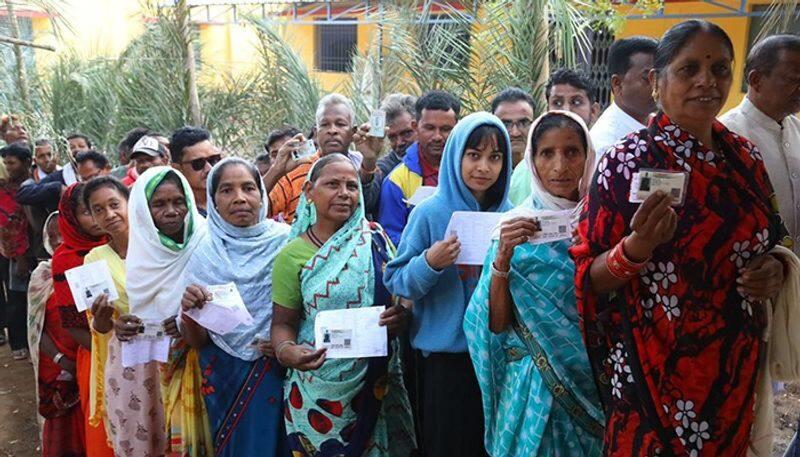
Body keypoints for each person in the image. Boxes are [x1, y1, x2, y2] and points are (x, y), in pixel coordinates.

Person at [570, 20, 790, 456]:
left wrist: (775, 268)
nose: (707, 81)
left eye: (720, 69)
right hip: (652, 373)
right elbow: (587, 277)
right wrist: (636, 250)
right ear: (656, 80)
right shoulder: (625, 162)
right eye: (689, 69)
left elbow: (772, 237)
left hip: (731, 367)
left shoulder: (743, 158)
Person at [463, 111, 604, 456]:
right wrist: (504, 257)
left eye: (571, 152)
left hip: (593, 382)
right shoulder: (512, 227)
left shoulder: (603, 223)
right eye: (547, 153)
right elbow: (495, 324)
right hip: (533, 389)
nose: (560, 166)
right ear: (532, 159)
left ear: (588, 156)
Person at [384, 112, 513, 456]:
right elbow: (396, 280)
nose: (483, 167)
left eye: (494, 157)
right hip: (447, 363)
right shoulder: (429, 213)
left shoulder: (513, 217)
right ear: (457, 155)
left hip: (499, 360)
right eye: (474, 155)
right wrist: (430, 262)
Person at [270, 153, 416, 456]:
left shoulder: (375, 239)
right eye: (332, 184)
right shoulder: (291, 255)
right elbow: (283, 324)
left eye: (351, 186)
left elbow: (399, 299)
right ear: (309, 192)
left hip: (376, 382)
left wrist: (401, 317)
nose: (344, 193)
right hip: (317, 388)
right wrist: (289, 353)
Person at [179, 158, 290, 456]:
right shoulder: (203, 252)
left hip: (281, 367)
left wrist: (285, 343)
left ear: (262, 195)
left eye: (249, 188)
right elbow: (197, 341)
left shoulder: (288, 243)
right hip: (225, 372)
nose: (239, 198)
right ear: (213, 200)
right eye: (226, 190)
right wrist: (189, 311)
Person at [125, 166, 210, 456]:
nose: (171, 211)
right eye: (159, 204)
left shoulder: (207, 240)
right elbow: (133, 319)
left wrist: (193, 320)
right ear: (141, 210)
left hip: (214, 360)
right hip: (165, 363)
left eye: (178, 202)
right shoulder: (139, 261)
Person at [82, 177, 168, 456]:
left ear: (131, 203)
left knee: (172, 429)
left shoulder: (161, 246)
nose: (108, 214)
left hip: (170, 349)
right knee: (136, 433)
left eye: (114, 204)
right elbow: (99, 326)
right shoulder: (93, 260)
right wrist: (108, 320)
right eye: (98, 210)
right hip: (128, 360)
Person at [51, 183, 114, 457]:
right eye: (89, 212)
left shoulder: (127, 242)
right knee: (107, 430)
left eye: (107, 207)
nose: (100, 217)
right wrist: (110, 352)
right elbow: (73, 326)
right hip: (98, 353)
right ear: (72, 217)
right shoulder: (67, 260)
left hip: (142, 350)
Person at [721, 34, 800, 254]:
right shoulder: (725, 136)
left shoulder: (797, 129)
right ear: (756, 80)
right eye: (794, 79)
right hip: (755, 276)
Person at [27, 211, 85, 456]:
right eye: (53, 236)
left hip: (90, 359)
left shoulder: (89, 267)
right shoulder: (41, 275)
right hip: (57, 368)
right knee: (62, 436)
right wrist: (63, 361)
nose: (59, 241)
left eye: (65, 234)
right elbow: (35, 328)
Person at [263, 94, 364, 224]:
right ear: (316, 132)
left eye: (340, 124)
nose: (332, 130)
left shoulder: (364, 168)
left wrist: (369, 162)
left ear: (353, 131)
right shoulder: (296, 169)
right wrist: (277, 170)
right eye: (325, 125)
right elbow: (257, 211)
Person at [378, 90, 461, 245]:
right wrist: (428, 255)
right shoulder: (397, 181)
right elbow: (390, 238)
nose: (437, 136)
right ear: (416, 127)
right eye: (429, 128)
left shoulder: (474, 172)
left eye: (445, 129)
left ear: (457, 128)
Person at [509, 69, 600, 205]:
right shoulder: (525, 171)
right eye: (557, 103)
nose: (565, 110)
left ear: (593, 111)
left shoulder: (604, 169)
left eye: (576, 102)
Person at [591, 36, 659, 159]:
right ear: (617, 84)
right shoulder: (606, 145)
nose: (656, 86)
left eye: (659, 78)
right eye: (647, 79)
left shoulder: (658, 126)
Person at [1, 142, 34, 360]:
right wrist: (20, 257)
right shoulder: (6, 191)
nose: (8, 167)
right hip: (14, 252)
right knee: (16, 297)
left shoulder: (32, 184)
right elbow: (10, 226)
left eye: (11, 162)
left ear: (26, 163)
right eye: (5, 163)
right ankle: (19, 343)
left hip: (33, 248)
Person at [171, 126, 223, 217]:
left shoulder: (231, 201)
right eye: (198, 163)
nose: (209, 168)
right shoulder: (176, 213)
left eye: (214, 160)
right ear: (178, 168)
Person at [491, 87, 536, 167]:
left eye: (523, 123)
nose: (515, 133)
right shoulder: (482, 172)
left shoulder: (547, 170)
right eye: (506, 124)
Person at [379, 93, 418, 177]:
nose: (399, 143)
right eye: (392, 137)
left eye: (406, 133)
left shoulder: (443, 159)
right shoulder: (385, 169)